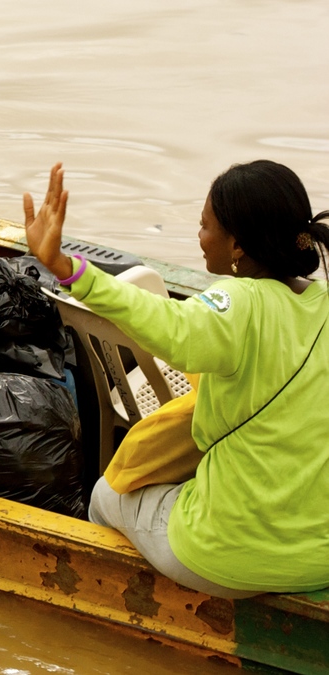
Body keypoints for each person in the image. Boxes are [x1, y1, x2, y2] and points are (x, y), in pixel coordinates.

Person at [24, 159, 329, 600]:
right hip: (319, 562)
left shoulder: (238, 301)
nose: (199, 237)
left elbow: (169, 325)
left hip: (225, 556)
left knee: (104, 496)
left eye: (205, 226)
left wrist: (67, 268)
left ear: (237, 246)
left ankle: (98, 601)